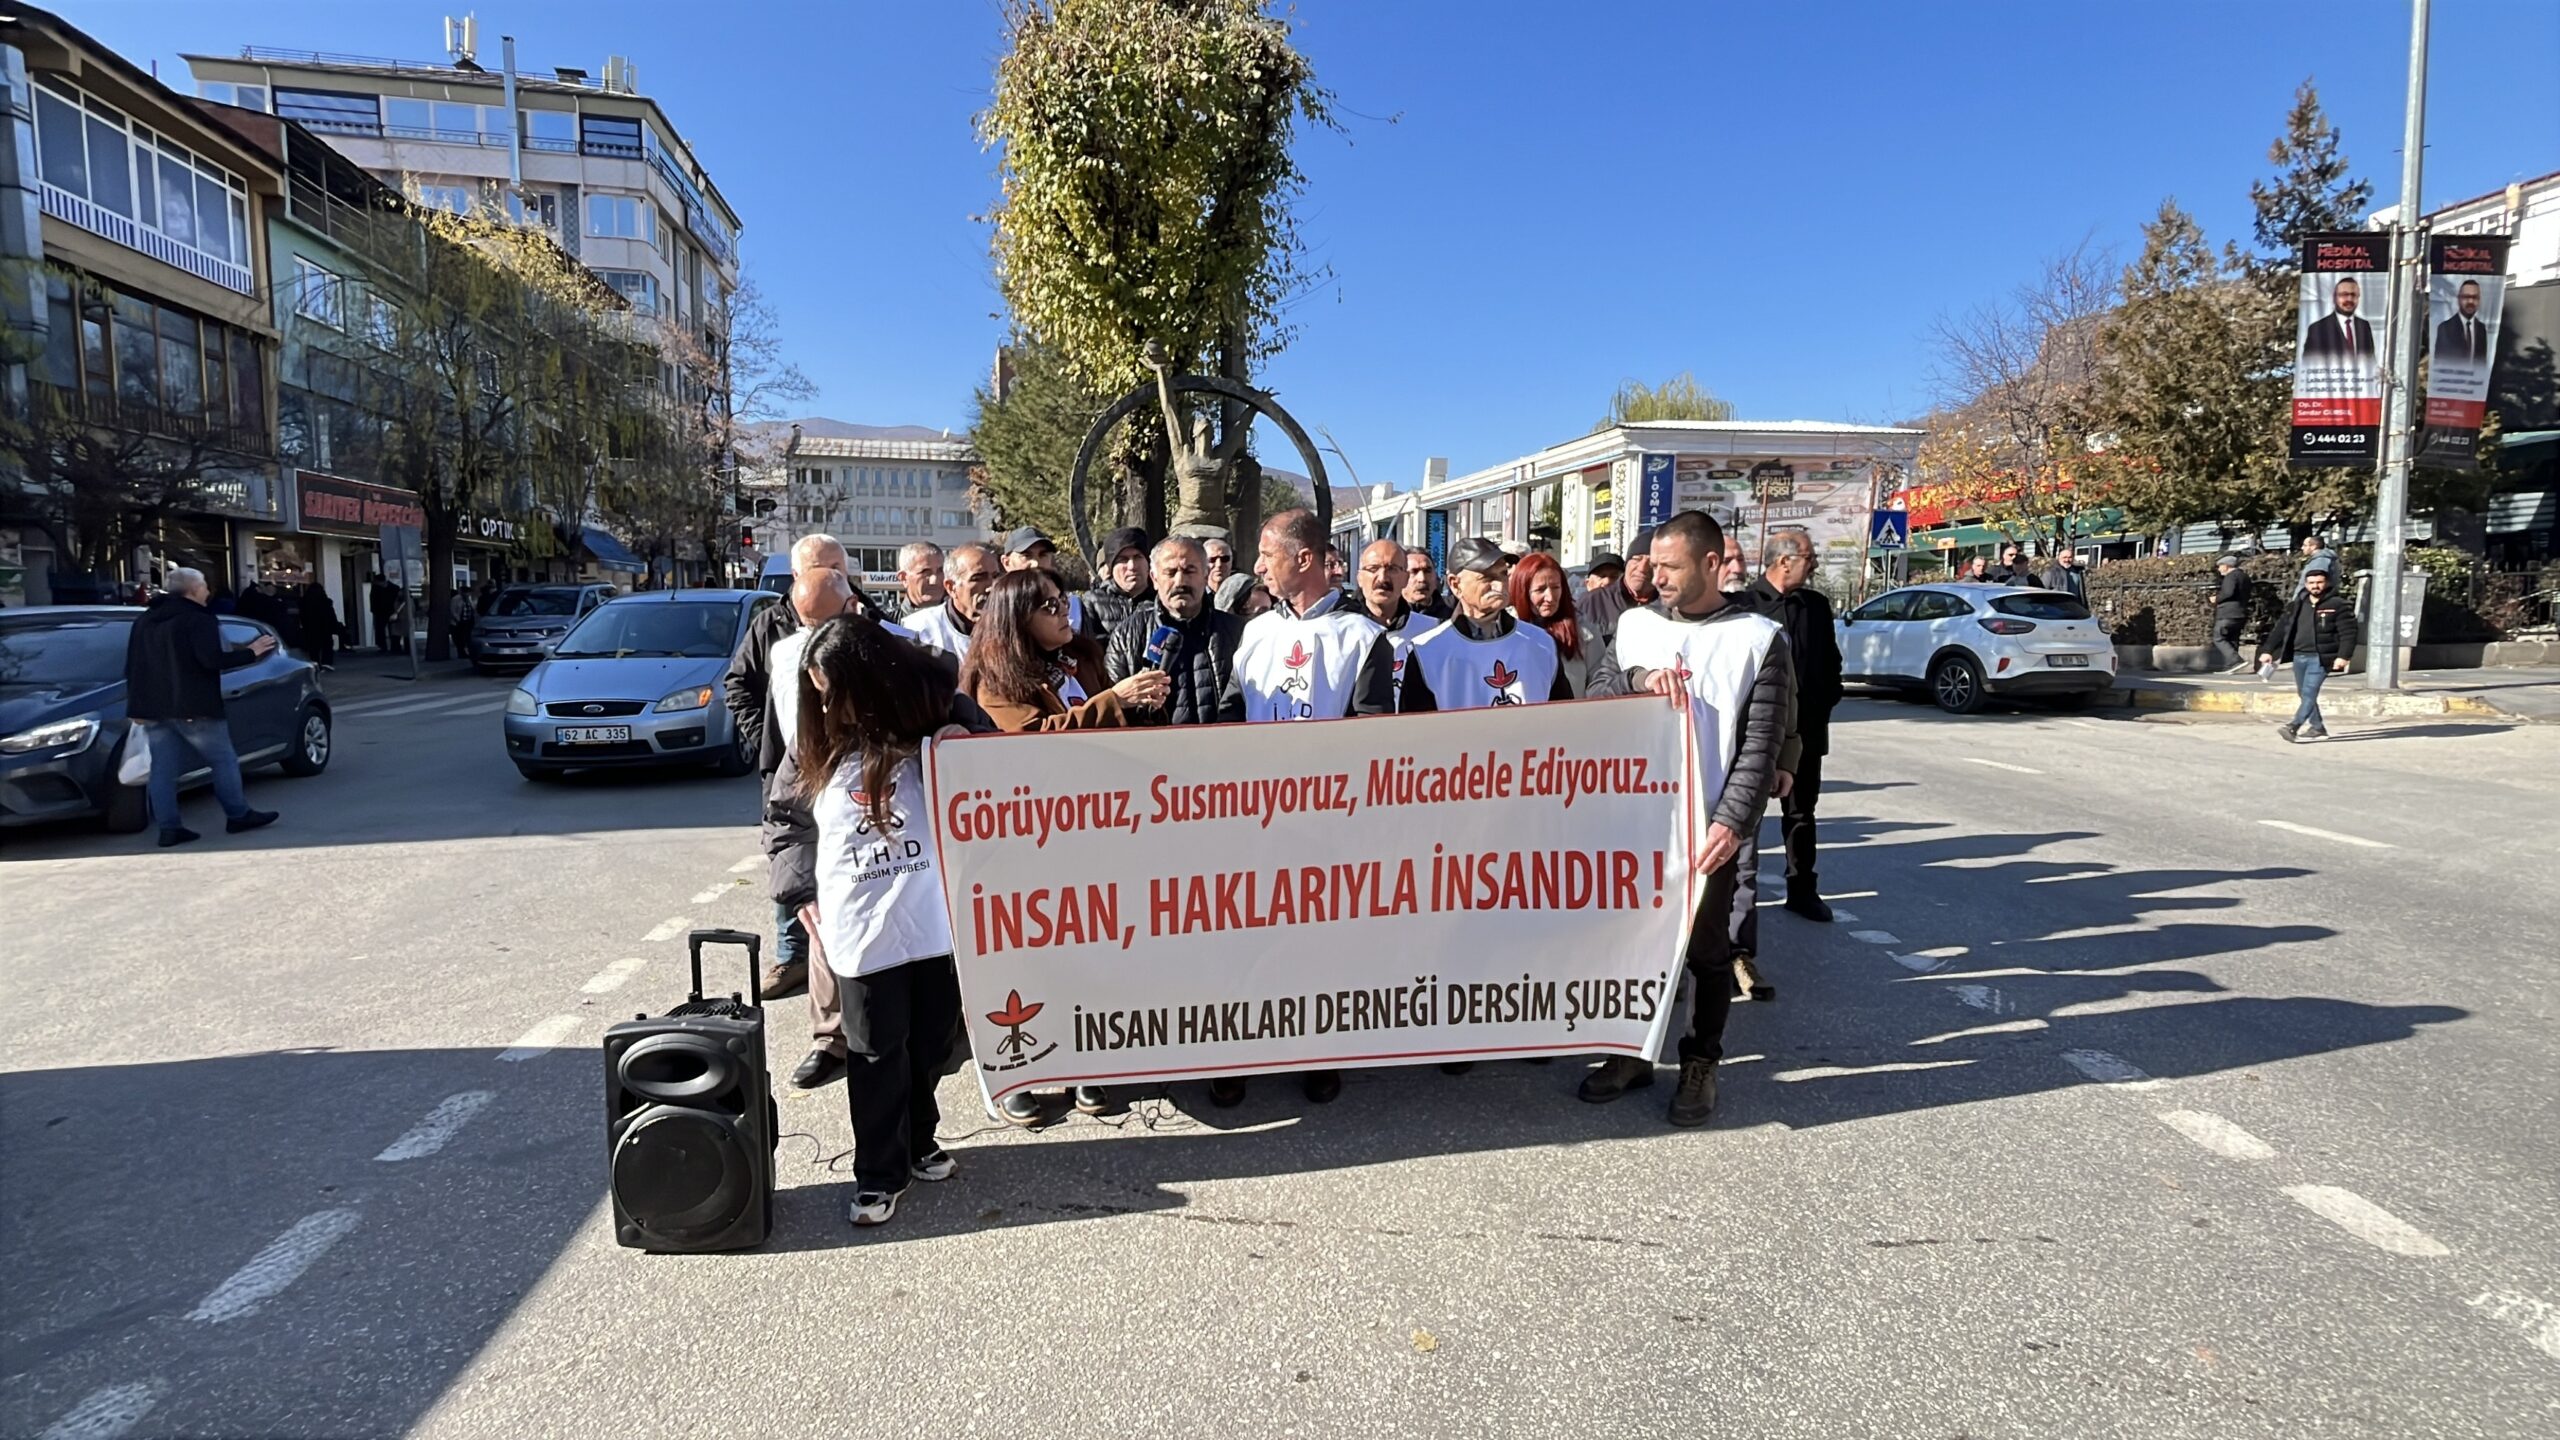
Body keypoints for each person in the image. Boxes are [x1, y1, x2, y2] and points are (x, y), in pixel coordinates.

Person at [1582, 512, 1793, 1127]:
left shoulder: (1759, 638)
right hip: (1633, 822)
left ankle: (1700, 1061)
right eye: (1653, 566)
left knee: (1706, 951)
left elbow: (1760, 743)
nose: (1657, 578)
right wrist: (1638, 677)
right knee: (1632, 944)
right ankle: (1632, 1051)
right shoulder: (1636, 624)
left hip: (1706, 828)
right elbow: (1597, 691)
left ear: (1710, 563)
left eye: (1670, 567)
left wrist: (1731, 823)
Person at [960, 568, 1170, 1124]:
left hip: (1096, 829)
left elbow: (1108, 732)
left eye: (1063, 601)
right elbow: (1031, 742)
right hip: (1028, 840)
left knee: (1089, 950)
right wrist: (1113, 701)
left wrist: (1142, 706)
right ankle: (1019, 1070)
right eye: (1048, 606)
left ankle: (1086, 1063)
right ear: (1017, 619)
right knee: (1028, 960)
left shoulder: (1081, 656)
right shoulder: (995, 679)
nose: (1063, 613)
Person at [794, 616, 976, 1229]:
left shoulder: (927, 713)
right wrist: (799, 891)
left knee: (931, 1040)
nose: (826, 706)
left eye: (834, 692)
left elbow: (985, 744)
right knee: (874, 1050)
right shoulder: (817, 741)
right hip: (860, 924)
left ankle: (919, 1138)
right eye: (818, 694)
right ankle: (877, 1172)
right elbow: (785, 819)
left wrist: (959, 731)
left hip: (928, 916)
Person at [1215, 507, 1385, 1107]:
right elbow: (1230, 715)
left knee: (1319, 942)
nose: (1259, 566)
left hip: (1326, 825)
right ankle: (1237, 1051)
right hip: (1253, 817)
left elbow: (1374, 732)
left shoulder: (1361, 637)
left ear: (1304, 558)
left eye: (1268, 555)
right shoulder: (1255, 632)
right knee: (1246, 938)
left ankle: (1318, 1050)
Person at [724, 533, 863, 1000]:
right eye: (819, 568)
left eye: (837, 569)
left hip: (847, 769)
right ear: (797, 575)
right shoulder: (770, 626)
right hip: (792, 769)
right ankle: (791, 956)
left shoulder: (861, 616)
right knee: (792, 861)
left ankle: (842, 970)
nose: (830, 576)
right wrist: (770, 741)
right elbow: (737, 685)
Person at [1729, 527, 1842, 1002]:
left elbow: (1831, 665)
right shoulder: (1744, 606)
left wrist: (1821, 706)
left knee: (1801, 812)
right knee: (1744, 828)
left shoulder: (1815, 606)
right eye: (1809, 557)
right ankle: (1734, 927)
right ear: (1784, 560)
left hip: (1805, 731)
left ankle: (1802, 890)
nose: (1814, 564)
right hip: (1755, 733)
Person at [765, 566, 860, 1090]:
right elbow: (783, 810)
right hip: (818, 815)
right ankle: (831, 1040)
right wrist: (801, 891)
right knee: (824, 926)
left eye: (827, 623)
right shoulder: (790, 658)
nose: (816, 636)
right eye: (808, 624)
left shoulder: (900, 659)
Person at [123, 566, 281, 848]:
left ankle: (169, 828)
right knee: (223, 760)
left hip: (153, 708)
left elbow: (133, 665)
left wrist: (136, 706)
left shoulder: (146, 620)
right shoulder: (198, 619)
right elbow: (211, 660)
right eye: (205, 586)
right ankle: (238, 814)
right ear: (194, 590)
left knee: (162, 770)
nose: (208, 591)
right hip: (194, 706)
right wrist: (251, 652)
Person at [1384, 537, 1572, 711]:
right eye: (1486, 578)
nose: (1499, 586)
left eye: (1503, 574)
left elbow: (1564, 716)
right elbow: (1416, 729)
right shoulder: (1427, 651)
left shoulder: (1540, 643)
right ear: (1455, 584)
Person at [1105, 536, 1246, 726]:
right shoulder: (1127, 636)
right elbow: (1115, 710)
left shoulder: (1237, 632)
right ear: (1154, 579)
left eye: (1189, 571)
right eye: (1170, 573)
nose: (1180, 581)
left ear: (1205, 575)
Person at [2258, 567, 2352, 742]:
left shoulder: (2338, 605)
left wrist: (2343, 656)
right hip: (2299, 656)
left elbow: (2348, 633)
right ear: (2306, 584)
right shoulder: (2296, 605)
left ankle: (2293, 726)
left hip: (2321, 657)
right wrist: (2268, 650)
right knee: (2304, 693)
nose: (2315, 586)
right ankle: (2318, 728)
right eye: (2311, 583)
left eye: (2319, 582)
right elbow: (2281, 629)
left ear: (2327, 583)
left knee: (2309, 692)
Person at [1000, 526, 1102, 641]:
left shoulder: (1073, 607)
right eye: (1026, 556)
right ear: (1006, 562)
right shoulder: (997, 608)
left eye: (1042, 555)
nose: (1036, 563)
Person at [902, 542, 994, 661]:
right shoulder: (917, 629)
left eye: (996, 576)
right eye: (978, 578)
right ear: (951, 587)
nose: (991, 586)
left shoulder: (1011, 625)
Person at [1510, 552, 1586, 694]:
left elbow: (1598, 683)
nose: (1550, 597)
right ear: (1522, 591)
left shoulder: (1584, 631)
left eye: (1555, 587)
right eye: (1540, 590)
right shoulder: (1505, 633)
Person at [1575, 526, 1654, 659]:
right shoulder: (1590, 602)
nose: (1642, 568)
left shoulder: (1669, 604)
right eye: (1637, 559)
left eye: (1651, 562)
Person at [1083, 526, 1154, 640]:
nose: (1132, 566)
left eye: (1137, 557)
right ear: (1111, 568)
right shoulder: (1094, 601)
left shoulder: (1162, 599)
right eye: (1123, 559)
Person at [2302, 276, 2378, 365]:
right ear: (2334, 298)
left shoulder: (2364, 326)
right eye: (2344, 294)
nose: (2349, 299)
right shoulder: (2317, 329)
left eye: (2353, 295)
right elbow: (2309, 364)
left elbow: (2371, 361)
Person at [2433, 278, 2491, 366]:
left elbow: (2482, 363)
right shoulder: (2444, 328)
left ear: (2479, 300)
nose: (2470, 301)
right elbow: (2440, 363)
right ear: (2458, 299)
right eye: (2466, 297)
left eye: (2475, 297)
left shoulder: (2481, 329)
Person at [885, 541, 947, 622]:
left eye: (940, 571)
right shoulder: (887, 623)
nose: (934, 580)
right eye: (925, 572)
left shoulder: (959, 622)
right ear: (904, 578)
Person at [2212, 554, 2253, 674]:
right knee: (2232, 639)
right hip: (2240, 612)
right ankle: (2230, 666)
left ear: (2227, 566)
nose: (2219, 569)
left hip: (2228, 613)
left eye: (2220, 566)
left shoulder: (2231, 576)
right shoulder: (2244, 576)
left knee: (2218, 637)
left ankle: (2236, 661)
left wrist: (2216, 599)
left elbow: (2228, 592)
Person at [297, 579, 341, 670]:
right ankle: (326, 663)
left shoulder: (305, 603)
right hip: (324, 627)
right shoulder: (325, 602)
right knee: (327, 645)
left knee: (313, 647)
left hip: (310, 628)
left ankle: (315, 663)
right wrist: (334, 626)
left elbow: (302, 616)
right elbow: (331, 615)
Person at [1402, 546, 1452, 621]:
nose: (1422, 578)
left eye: (1427, 571)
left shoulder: (1451, 616)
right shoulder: (1389, 614)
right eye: (1414, 571)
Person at [367, 573, 402, 653]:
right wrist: (373, 610)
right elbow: (372, 599)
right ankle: (382, 646)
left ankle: (395, 646)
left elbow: (398, 600)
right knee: (380, 629)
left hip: (391, 611)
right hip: (380, 612)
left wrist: (396, 611)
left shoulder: (394, 588)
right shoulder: (375, 588)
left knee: (393, 629)